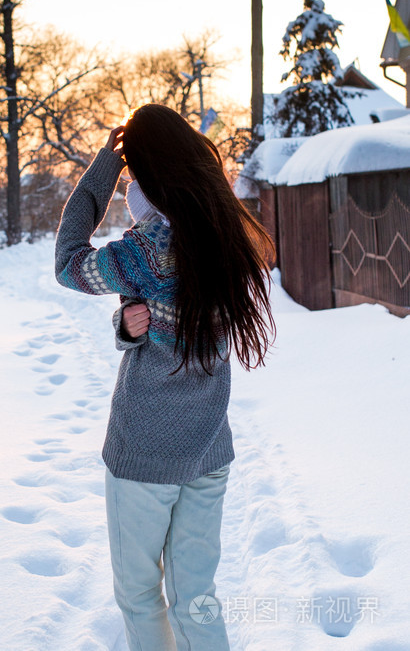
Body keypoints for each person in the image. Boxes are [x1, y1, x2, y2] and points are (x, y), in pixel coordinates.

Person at [55, 103, 275, 651]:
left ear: (147, 173)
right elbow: (185, 328)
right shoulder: (223, 237)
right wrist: (132, 327)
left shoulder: (149, 249)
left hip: (146, 454)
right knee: (196, 597)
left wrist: (105, 164)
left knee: (137, 595)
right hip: (207, 452)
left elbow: (68, 264)